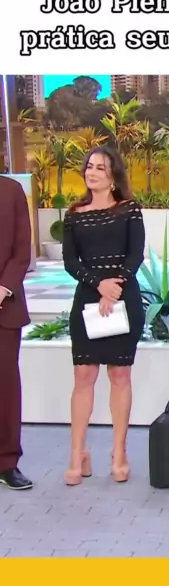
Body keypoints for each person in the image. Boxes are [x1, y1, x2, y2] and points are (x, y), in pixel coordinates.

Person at [62, 147, 145, 486]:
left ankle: (119, 452)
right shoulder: (74, 214)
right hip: (87, 298)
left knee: (119, 374)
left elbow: (135, 255)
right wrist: (99, 285)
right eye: (89, 167)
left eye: (100, 167)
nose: (92, 172)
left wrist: (115, 286)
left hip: (124, 297)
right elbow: (71, 262)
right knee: (84, 375)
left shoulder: (129, 210)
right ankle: (77, 453)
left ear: (113, 176)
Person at [0, 175, 33, 490]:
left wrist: (3, 288)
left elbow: (22, 251)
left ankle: (7, 463)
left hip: (3, 307)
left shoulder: (11, 191)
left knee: (6, 389)